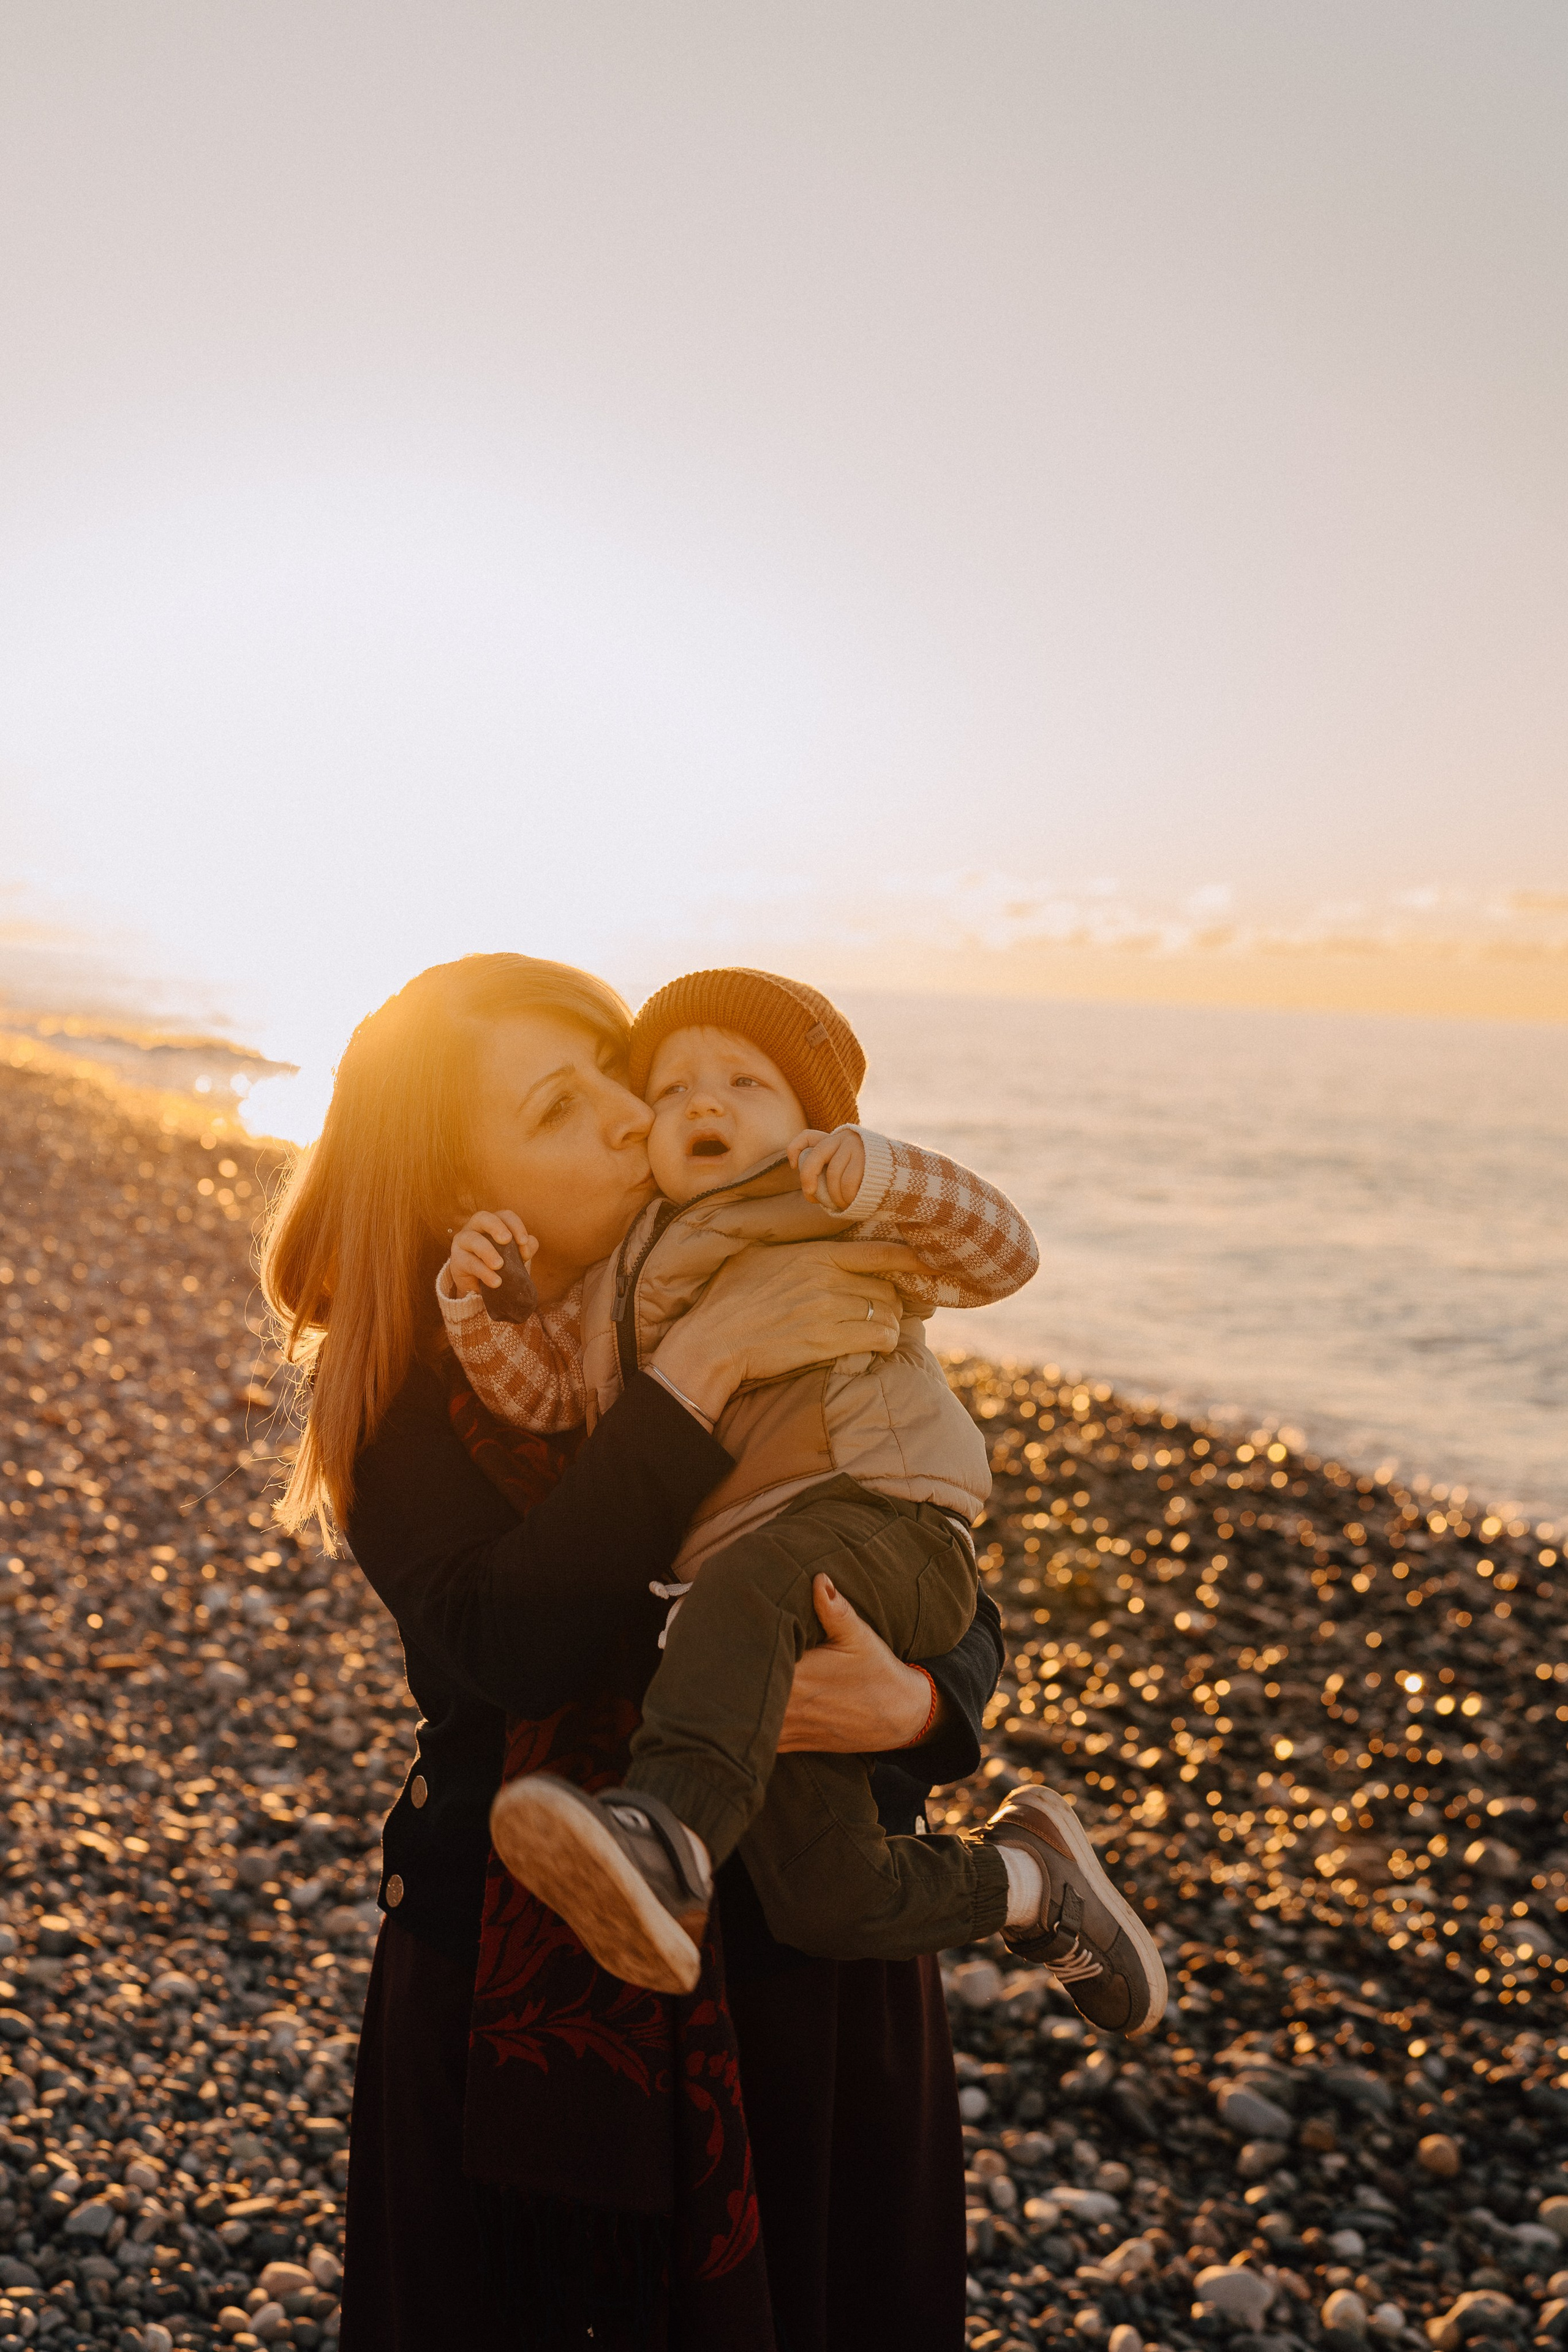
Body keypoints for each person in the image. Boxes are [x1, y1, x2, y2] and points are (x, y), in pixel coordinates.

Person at [259, 951, 1003, 2351]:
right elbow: (509, 1646)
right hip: (507, 1975)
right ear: (448, 1188)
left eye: (617, 1073)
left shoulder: (770, 1256)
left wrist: (917, 1705)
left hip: (806, 1954)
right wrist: (695, 1375)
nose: (625, 1115)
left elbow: (934, 1550)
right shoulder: (408, 1396)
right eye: (556, 1107)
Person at [442, 965, 1164, 2041]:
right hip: (760, 1599)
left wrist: (876, 1171)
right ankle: (1031, 1886)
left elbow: (1004, 1255)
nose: (704, 1104)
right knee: (826, 1892)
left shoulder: (829, 1211)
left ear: (814, 1124)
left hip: (887, 1525)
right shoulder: (621, 1273)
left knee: (746, 1587)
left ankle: (665, 1838)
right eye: (676, 1087)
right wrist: (485, 1308)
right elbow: (548, 1403)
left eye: (745, 1081)